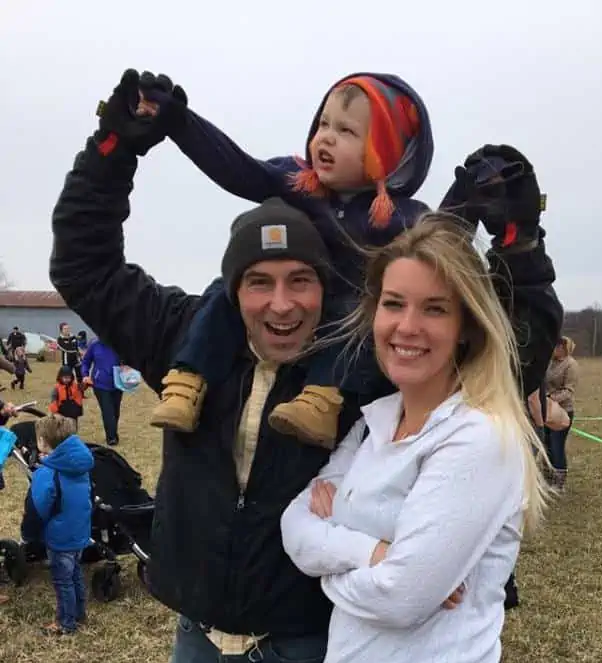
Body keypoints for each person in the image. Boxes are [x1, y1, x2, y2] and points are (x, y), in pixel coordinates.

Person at [51, 70, 560, 663]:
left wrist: (519, 239)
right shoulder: (181, 334)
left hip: (305, 646)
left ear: (330, 289)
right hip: (198, 637)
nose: (280, 303)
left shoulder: (363, 367)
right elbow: (83, 263)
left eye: (300, 281)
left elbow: (493, 331)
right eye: (257, 282)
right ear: (231, 288)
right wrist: (115, 151)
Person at [281, 214, 548, 663]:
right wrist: (373, 551)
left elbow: (401, 599)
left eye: (434, 308)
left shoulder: (477, 438)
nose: (407, 325)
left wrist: (364, 572)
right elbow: (294, 524)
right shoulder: (375, 422)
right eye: (394, 303)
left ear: (466, 325)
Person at [125, 69, 553, 448]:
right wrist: (179, 122)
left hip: (347, 326)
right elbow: (237, 169)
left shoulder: (401, 216)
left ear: (386, 153)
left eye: (347, 132)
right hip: (291, 304)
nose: (325, 137)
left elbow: (440, 243)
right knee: (227, 289)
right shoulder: (297, 182)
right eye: (323, 124)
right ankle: (186, 381)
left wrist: (472, 196)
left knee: (359, 315)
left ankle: (320, 402)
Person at [23, 415, 93, 634]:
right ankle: (80, 614)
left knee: (63, 581)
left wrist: (30, 533)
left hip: (59, 536)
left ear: (44, 441)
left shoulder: (48, 473)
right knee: (75, 575)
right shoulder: (80, 465)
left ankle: (66, 623)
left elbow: (38, 508)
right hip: (79, 531)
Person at [545, 336, 579, 487]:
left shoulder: (571, 365)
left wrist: (551, 398)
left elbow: (569, 390)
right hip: (546, 409)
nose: (555, 349)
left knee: (557, 444)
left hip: (563, 410)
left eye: (558, 347)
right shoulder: (549, 362)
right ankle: (548, 474)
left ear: (565, 349)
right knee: (547, 444)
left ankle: (559, 481)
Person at [81, 338, 123, 445]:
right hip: (100, 384)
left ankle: (113, 432)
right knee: (107, 411)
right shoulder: (95, 345)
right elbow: (85, 362)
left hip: (118, 384)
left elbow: (130, 360)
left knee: (115, 411)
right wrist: (85, 375)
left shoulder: (120, 344)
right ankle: (111, 438)